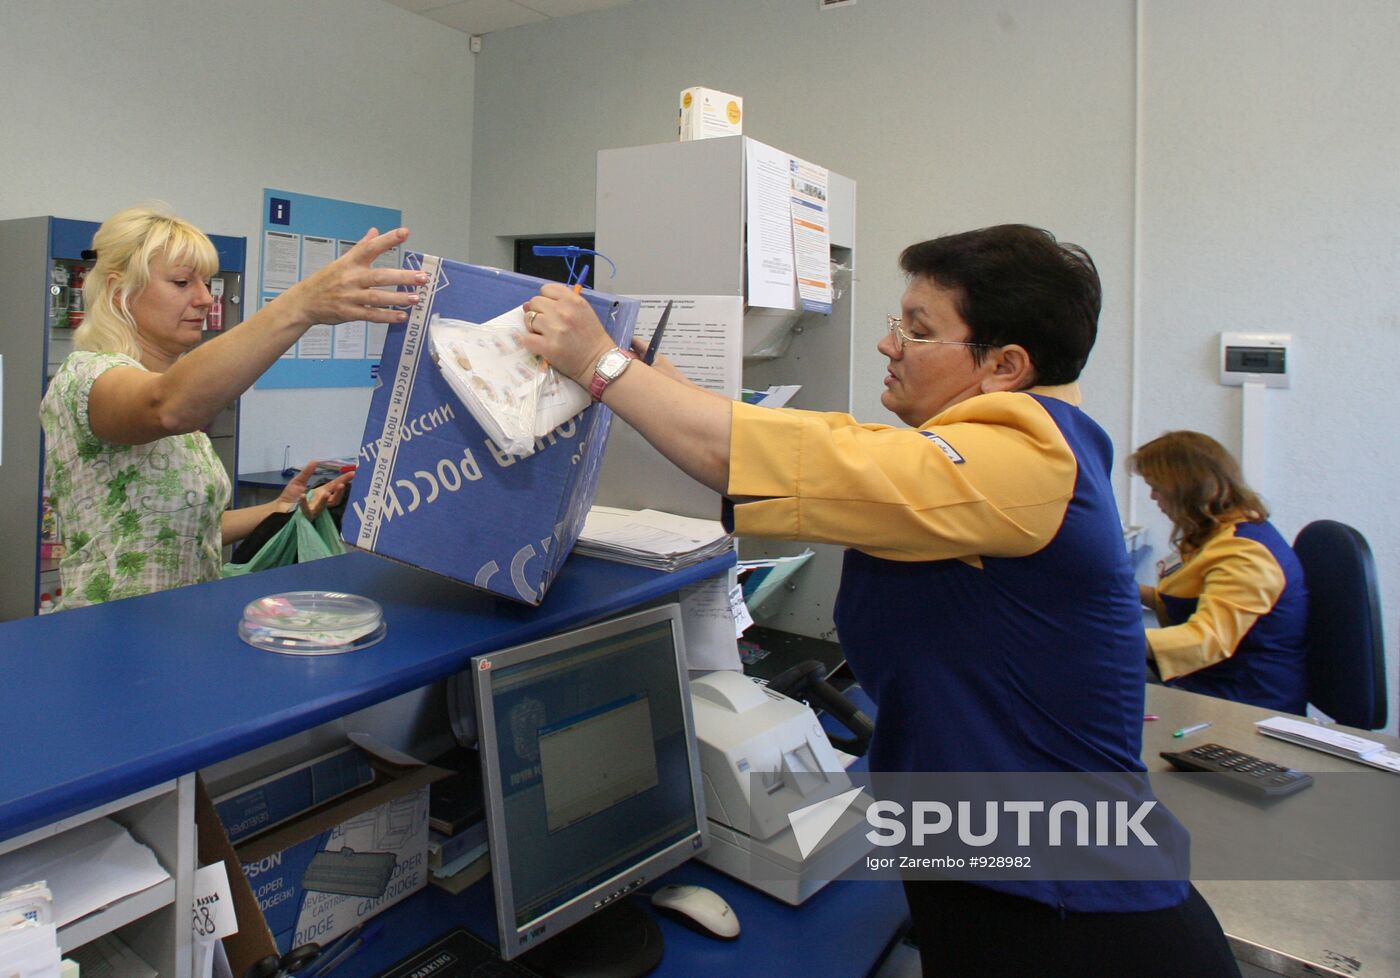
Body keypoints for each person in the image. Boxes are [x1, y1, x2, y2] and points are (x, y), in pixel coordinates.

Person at [520, 225, 1239, 977]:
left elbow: (756, 457)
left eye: (919, 331)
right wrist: (662, 383)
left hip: (1067, 920)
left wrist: (597, 363)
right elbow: (822, 450)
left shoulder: (1022, 456)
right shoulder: (1023, 444)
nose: (889, 345)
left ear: (1005, 365)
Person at [40, 204, 427, 609]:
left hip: (182, 626)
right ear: (121, 291)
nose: (206, 299)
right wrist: (301, 305)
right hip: (112, 628)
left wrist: (279, 509)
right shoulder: (85, 377)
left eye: (207, 283)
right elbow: (166, 406)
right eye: (181, 282)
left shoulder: (171, 392)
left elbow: (184, 528)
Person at [1131, 430, 1309, 713]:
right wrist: (1128, 590)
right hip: (1210, 681)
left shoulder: (1246, 555)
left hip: (1247, 703)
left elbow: (1205, 639)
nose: (1153, 496)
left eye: (1157, 487)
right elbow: (1191, 601)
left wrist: (1112, 638)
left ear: (1186, 489)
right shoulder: (1221, 532)